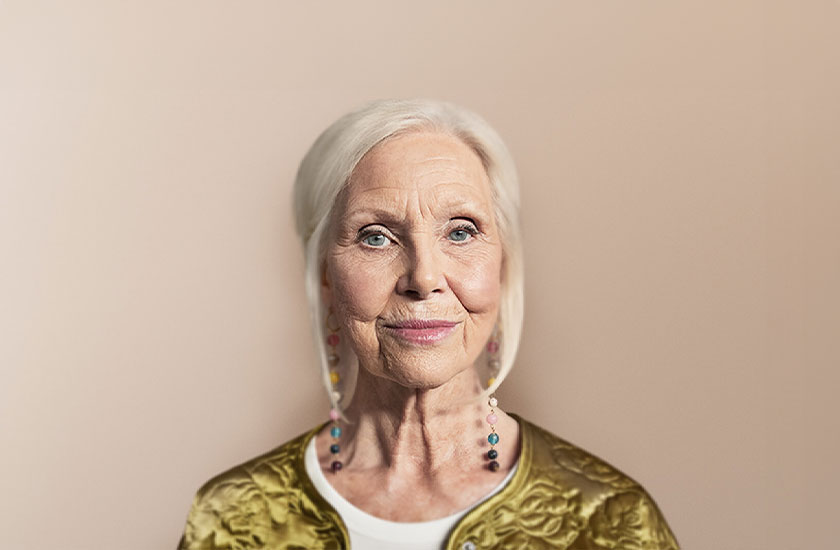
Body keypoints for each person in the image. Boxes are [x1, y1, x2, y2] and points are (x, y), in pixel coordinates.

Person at [176, 99, 680, 550]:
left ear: (502, 268)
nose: (424, 277)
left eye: (461, 232)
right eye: (376, 237)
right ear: (325, 277)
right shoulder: (235, 520)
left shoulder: (607, 520)